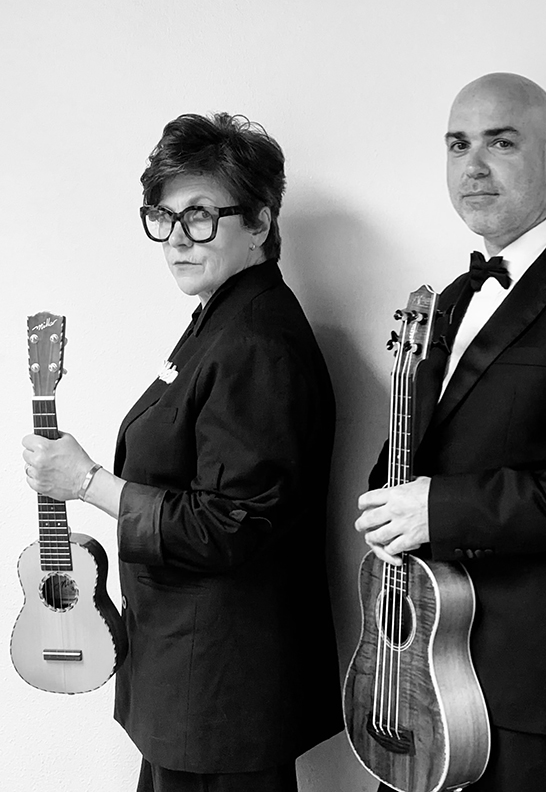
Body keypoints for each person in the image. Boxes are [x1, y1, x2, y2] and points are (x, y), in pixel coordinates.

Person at [353, 73, 546, 792]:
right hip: (417, 669)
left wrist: (442, 508)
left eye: (501, 143)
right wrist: (387, 505)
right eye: (458, 144)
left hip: (537, 683)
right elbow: (415, 460)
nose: (474, 165)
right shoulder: (445, 300)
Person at [20, 113, 339, 791]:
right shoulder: (220, 319)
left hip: (219, 686)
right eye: (162, 218)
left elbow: (229, 525)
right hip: (188, 675)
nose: (175, 240)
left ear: (259, 221)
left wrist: (88, 482)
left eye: (199, 217)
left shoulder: (256, 342)